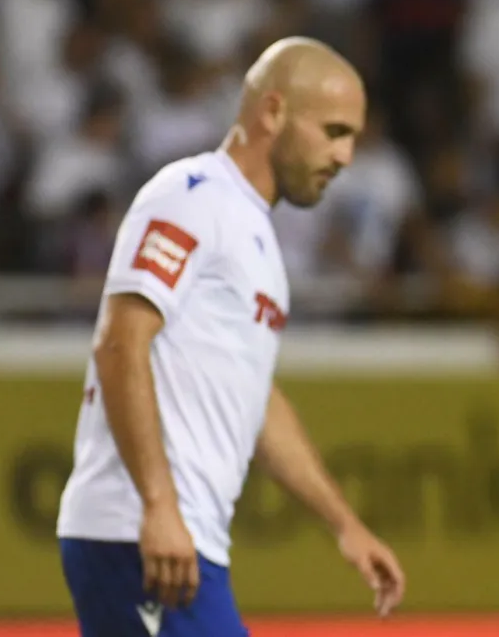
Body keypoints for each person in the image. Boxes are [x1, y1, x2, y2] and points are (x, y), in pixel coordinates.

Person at [56, 37, 405, 636]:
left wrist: (344, 524)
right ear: (273, 111)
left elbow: (255, 400)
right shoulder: (191, 196)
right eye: (334, 132)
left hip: (175, 537)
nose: (346, 156)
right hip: (134, 531)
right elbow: (120, 343)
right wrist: (158, 505)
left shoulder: (255, 237)